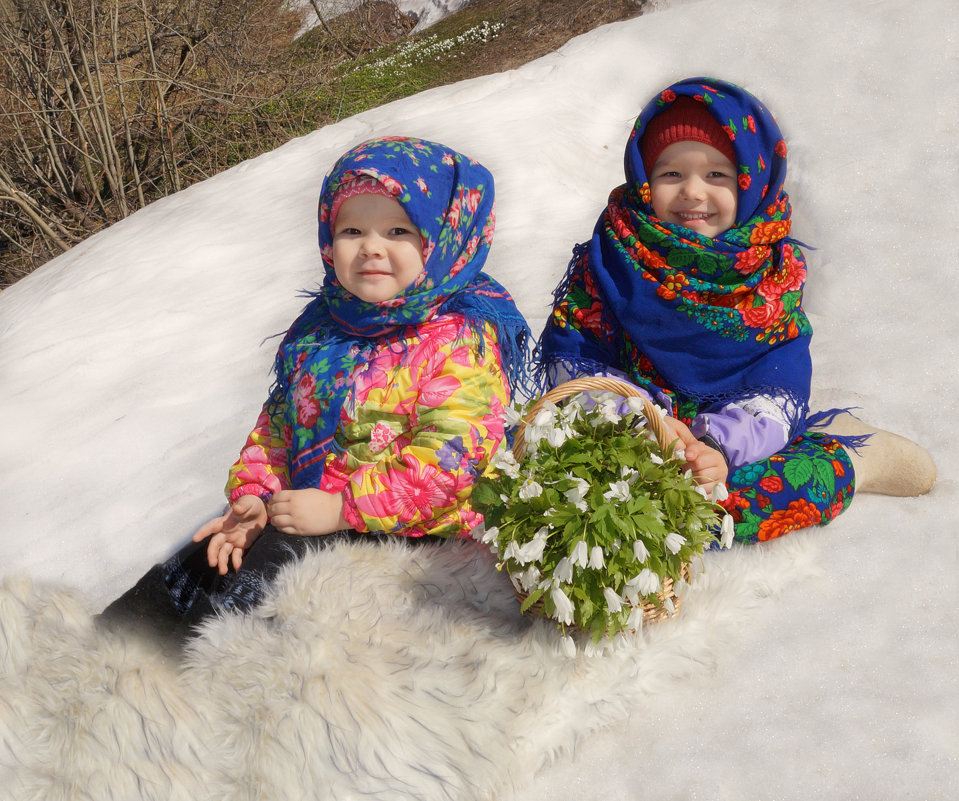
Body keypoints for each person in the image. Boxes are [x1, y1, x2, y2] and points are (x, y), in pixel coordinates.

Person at [99, 136, 532, 645]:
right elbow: (280, 424)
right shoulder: (324, 326)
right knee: (198, 566)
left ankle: (158, 684)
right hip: (310, 508)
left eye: (397, 230)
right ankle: (92, 654)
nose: (371, 247)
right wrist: (254, 497)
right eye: (352, 230)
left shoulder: (460, 337)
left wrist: (341, 508)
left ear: (445, 241)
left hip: (409, 533)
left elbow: (450, 465)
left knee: (243, 600)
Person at [537, 77, 935, 545]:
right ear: (643, 180)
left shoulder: (768, 275)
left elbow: (777, 381)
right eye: (670, 174)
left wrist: (714, 447)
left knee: (731, 503)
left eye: (717, 176)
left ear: (752, 182)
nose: (692, 192)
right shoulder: (612, 254)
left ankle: (852, 457)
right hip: (630, 431)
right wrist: (642, 420)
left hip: (736, 437)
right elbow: (573, 359)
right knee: (580, 504)